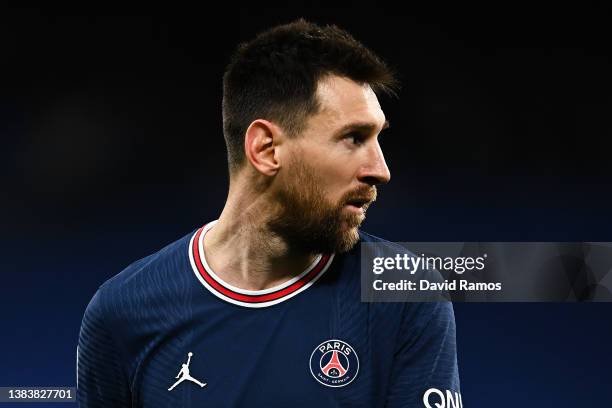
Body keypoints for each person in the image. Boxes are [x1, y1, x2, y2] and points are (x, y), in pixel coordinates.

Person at [77, 19, 461, 407]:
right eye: (354, 138)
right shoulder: (122, 312)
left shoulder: (408, 295)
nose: (381, 169)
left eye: (379, 137)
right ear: (265, 149)